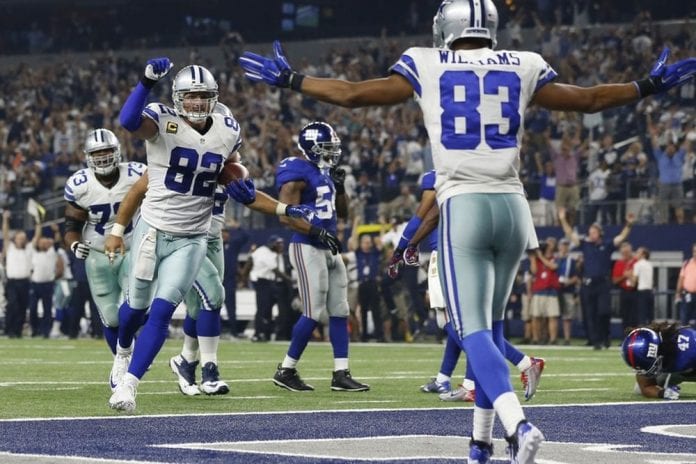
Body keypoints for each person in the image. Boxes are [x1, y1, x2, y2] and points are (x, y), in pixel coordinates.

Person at [239, 0, 696, 459]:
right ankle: (480, 442)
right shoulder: (524, 62)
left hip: (464, 203)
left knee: (471, 330)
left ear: (446, 28)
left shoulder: (425, 61)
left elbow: (353, 94)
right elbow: (589, 99)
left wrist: (292, 79)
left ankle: (518, 426)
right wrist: (648, 84)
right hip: (514, 206)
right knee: (491, 330)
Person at [105, 59, 312, 412]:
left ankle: (129, 386)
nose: (197, 102)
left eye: (203, 96)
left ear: (214, 97)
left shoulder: (227, 128)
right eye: (190, 96)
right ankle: (123, 353)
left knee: (162, 311)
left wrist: (279, 206)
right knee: (134, 311)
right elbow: (127, 121)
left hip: (193, 236)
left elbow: (235, 175)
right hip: (153, 229)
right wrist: (145, 82)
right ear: (177, 97)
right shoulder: (163, 120)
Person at [387, 170, 544, 403]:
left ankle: (523, 362)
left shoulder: (443, 174)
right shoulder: (480, 174)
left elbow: (426, 216)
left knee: (451, 321)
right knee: (473, 318)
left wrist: (404, 247)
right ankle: (454, 381)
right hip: (484, 246)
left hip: (449, 252)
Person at [272, 121, 369, 393]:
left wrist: (340, 187)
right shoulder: (296, 171)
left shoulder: (324, 172)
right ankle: (286, 370)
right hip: (307, 246)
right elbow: (285, 215)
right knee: (313, 312)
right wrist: (316, 231)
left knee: (340, 310)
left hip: (329, 245)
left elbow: (344, 214)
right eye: (326, 147)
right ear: (311, 147)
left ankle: (341, 373)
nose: (332, 152)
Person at [63, 128, 146, 387]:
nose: (102, 157)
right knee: (111, 317)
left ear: (117, 151)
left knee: (137, 306)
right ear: (87, 156)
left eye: (107, 151)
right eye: (97, 153)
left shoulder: (136, 173)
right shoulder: (80, 184)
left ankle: (131, 351)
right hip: (98, 254)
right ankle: (120, 361)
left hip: (132, 249)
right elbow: (71, 226)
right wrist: (74, 244)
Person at [560, 207, 634, 350]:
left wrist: (629, 224)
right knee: (590, 313)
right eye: (590, 232)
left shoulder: (607, 244)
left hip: (603, 283)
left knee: (604, 311)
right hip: (588, 284)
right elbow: (570, 234)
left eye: (594, 232)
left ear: (600, 233)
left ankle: (605, 336)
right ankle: (595, 341)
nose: (591, 234)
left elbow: (621, 237)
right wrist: (563, 219)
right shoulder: (585, 244)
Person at [622, 322, 696, 400]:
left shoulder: (688, 352)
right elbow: (645, 386)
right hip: (674, 363)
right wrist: (662, 393)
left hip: (689, 365)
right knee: (640, 389)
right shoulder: (652, 343)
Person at [2, 211, 33, 338]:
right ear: (15, 239)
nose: (21, 240)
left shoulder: (28, 249)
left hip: (25, 282)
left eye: (23, 238)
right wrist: (5, 220)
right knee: (12, 305)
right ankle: (9, 330)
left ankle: (18, 331)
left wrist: (38, 223)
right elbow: (5, 234)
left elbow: (37, 237)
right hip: (12, 282)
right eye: (19, 238)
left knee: (22, 307)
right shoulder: (10, 248)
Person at [28, 222, 60, 338]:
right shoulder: (33, 253)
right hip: (35, 284)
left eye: (46, 243)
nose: (44, 244)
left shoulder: (52, 253)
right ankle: (34, 329)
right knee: (32, 308)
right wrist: (38, 226)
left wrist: (56, 231)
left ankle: (46, 331)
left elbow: (57, 242)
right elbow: (35, 238)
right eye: (41, 242)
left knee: (47, 309)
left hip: (48, 284)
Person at [529, 239, 560, 345]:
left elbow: (553, 266)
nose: (548, 244)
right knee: (536, 316)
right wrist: (533, 258)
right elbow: (534, 271)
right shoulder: (538, 258)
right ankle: (536, 339)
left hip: (551, 291)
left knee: (552, 316)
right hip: (538, 290)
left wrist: (540, 256)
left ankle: (553, 339)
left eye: (551, 242)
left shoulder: (556, 257)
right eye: (548, 242)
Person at [556, 238, 579, 345]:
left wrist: (568, 282)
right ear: (559, 247)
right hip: (554, 290)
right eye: (562, 245)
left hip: (567, 290)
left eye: (566, 245)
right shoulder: (554, 259)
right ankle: (551, 338)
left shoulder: (572, 261)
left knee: (567, 316)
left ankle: (567, 338)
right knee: (552, 315)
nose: (564, 247)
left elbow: (576, 276)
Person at [612, 241, 638, 331]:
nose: (625, 254)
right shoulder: (618, 263)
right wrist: (624, 276)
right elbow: (615, 280)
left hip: (636, 292)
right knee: (625, 316)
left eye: (627, 252)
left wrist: (631, 276)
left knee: (635, 317)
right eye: (624, 253)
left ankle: (635, 336)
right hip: (624, 292)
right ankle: (626, 336)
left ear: (631, 251)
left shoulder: (636, 262)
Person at [632, 247, 654, 325]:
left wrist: (628, 276)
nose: (636, 254)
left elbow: (633, 282)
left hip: (641, 293)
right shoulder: (650, 264)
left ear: (643, 255)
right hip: (650, 292)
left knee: (641, 316)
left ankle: (642, 331)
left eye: (638, 252)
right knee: (650, 316)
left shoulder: (637, 264)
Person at [676, 243, 696, 327]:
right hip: (687, 295)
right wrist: (678, 293)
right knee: (684, 319)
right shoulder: (686, 263)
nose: (695, 253)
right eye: (694, 251)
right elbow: (681, 279)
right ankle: (684, 333)